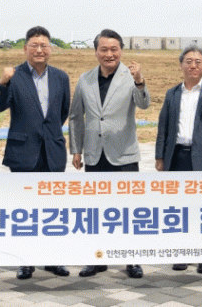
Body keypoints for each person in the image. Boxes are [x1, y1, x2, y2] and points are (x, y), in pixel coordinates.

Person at [69, 29, 150, 279]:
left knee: (127, 211)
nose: (109, 54)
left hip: (124, 155)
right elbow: (76, 116)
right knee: (97, 210)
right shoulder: (85, 79)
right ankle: (97, 258)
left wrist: (140, 81)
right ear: (96, 52)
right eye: (103, 49)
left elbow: (144, 103)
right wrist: (76, 149)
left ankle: (132, 259)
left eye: (114, 49)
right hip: (95, 155)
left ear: (121, 51)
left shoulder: (130, 75)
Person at [0, 26, 71, 279]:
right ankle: (25, 260)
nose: (39, 50)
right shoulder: (14, 75)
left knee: (53, 209)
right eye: (34, 45)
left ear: (50, 49)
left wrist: (49, 135)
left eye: (44, 45)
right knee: (24, 210)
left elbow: (62, 112)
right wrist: (2, 82)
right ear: (25, 48)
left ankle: (52, 259)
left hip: (52, 152)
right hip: (24, 152)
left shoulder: (61, 77)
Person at [156, 45, 202, 275]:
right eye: (188, 61)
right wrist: (160, 156)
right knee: (179, 208)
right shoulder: (172, 93)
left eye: (198, 62)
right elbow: (163, 127)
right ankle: (182, 253)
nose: (193, 65)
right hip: (178, 156)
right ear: (181, 65)